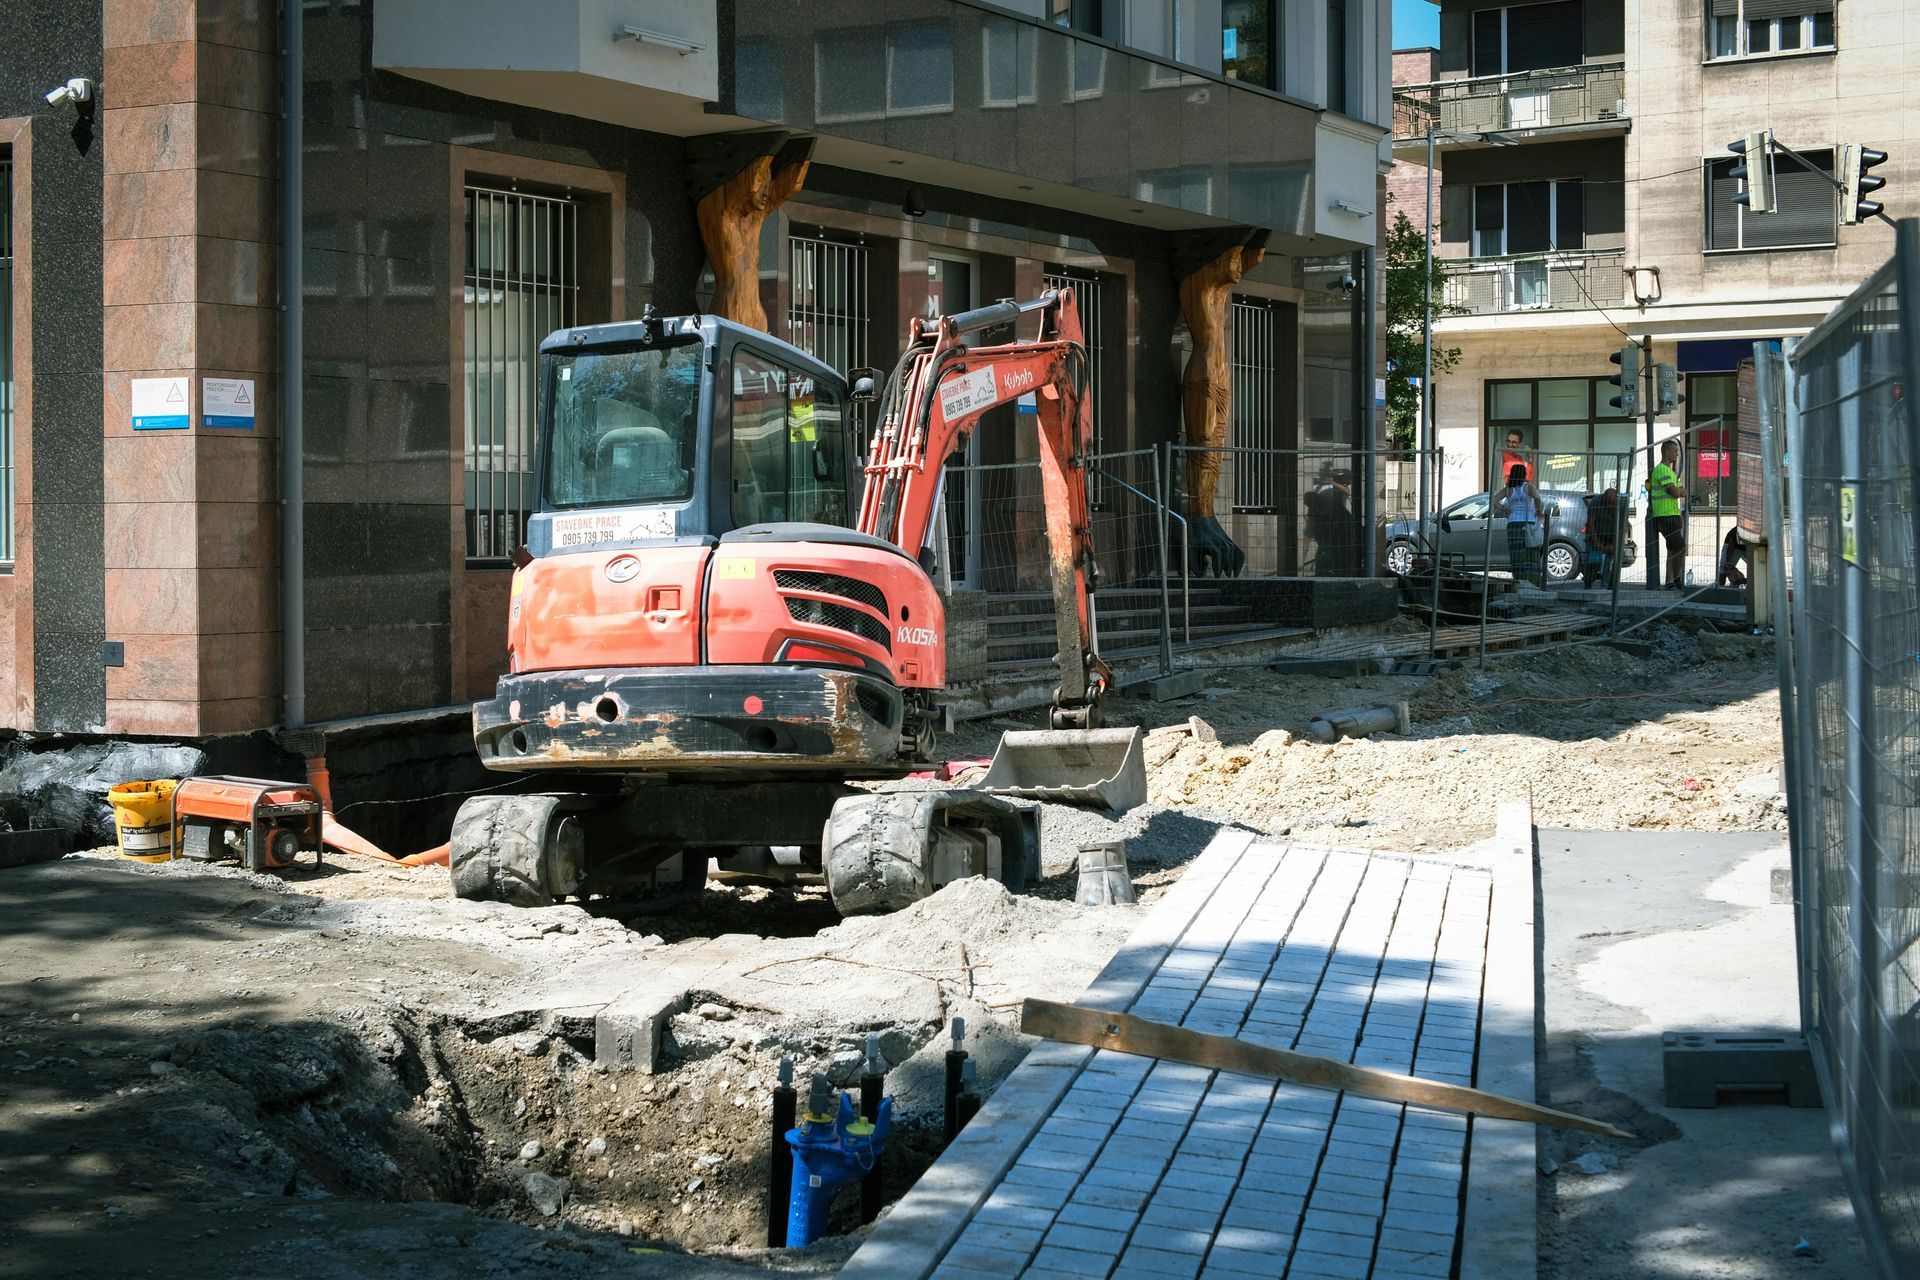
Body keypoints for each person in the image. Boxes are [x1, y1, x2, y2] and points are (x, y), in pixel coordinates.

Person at [1646, 439, 1687, 589]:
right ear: (1666, 452)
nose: (1677, 454)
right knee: (1681, 547)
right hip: (1665, 515)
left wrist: (1680, 492)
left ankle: (1670, 582)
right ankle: (1676, 579)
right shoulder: (1662, 470)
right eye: (1675, 451)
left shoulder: (1670, 472)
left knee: (1672, 549)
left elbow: (1681, 490)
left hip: (1672, 514)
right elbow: (1676, 491)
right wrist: (1680, 491)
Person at [1494, 463, 1544, 587]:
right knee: (1532, 555)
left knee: (1517, 556)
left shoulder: (1507, 489)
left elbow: (1493, 500)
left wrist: (1504, 509)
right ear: (1523, 474)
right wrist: (1538, 511)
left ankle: (1520, 583)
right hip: (1528, 524)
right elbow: (1537, 498)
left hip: (1513, 525)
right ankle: (1534, 583)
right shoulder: (1528, 487)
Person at [1306, 468, 1356, 576]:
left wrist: (1332, 483)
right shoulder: (1321, 490)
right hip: (1325, 524)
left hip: (1336, 526)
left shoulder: (1338, 492)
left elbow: (1347, 491)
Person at [1583, 486, 1621, 589]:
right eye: (1608, 503)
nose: (1610, 507)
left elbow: (1621, 527)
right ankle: (1588, 583)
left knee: (1613, 562)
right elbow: (1590, 524)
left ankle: (1610, 587)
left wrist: (1613, 543)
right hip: (1596, 535)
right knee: (1592, 561)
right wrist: (1597, 542)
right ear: (1603, 499)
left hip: (1612, 536)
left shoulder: (1621, 504)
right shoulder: (1596, 502)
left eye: (1612, 505)